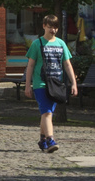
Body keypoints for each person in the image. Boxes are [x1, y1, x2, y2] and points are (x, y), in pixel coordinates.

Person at [25, 14, 78, 152]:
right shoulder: (37, 44)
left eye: (55, 27)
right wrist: (27, 85)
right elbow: (30, 66)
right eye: (50, 27)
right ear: (44, 26)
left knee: (47, 113)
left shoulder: (61, 44)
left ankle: (42, 140)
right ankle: (50, 140)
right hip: (41, 84)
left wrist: (73, 83)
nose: (53, 30)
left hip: (56, 84)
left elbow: (67, 64)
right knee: (47, 113)